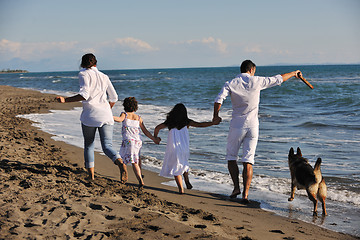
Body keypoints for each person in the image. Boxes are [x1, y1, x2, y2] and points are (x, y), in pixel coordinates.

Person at [213, 59, 302, 203]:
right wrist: (293, 73)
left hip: (236, 126)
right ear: (252, 69)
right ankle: (245, 194)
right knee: (248, 160)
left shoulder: (231, 83)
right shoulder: (257, 81)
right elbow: (278, 79)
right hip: (253, 126)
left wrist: (215, 116)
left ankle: (236, 187)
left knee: (231, 158)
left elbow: (218, 100)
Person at [56, 53, 126, 182]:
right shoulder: (104, 76)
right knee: (107, 145)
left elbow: (84, 95)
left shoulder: (83, 74)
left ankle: (91, 176)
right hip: (106, 115)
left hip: (90, 115)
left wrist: (65, 100)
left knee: (89, 145)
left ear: (82, 63)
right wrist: (106, 109)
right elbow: (114, 97)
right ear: (96, 63)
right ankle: (120, 163)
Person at [154, 103, 220, 194]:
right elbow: (200, 125)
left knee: (176, 168)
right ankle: (187, 180)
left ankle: (181, 189)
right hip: (184, 148)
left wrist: (155, 138)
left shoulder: (169, 123)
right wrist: (212, 123)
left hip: (173, 149)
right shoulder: (187, 122)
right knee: (183, 163)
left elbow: (157, 128)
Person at [113, 97, 160, 187]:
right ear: (135, 107)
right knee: (137, 160)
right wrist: (154, 139)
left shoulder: (125, 114)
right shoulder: (138, 118)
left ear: (125, 106)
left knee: (126, 160)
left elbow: (119, 119)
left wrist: (109, 117)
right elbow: (145, 131)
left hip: (128, 141)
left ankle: (139, 180)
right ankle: (139, 174)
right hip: (138, 141)